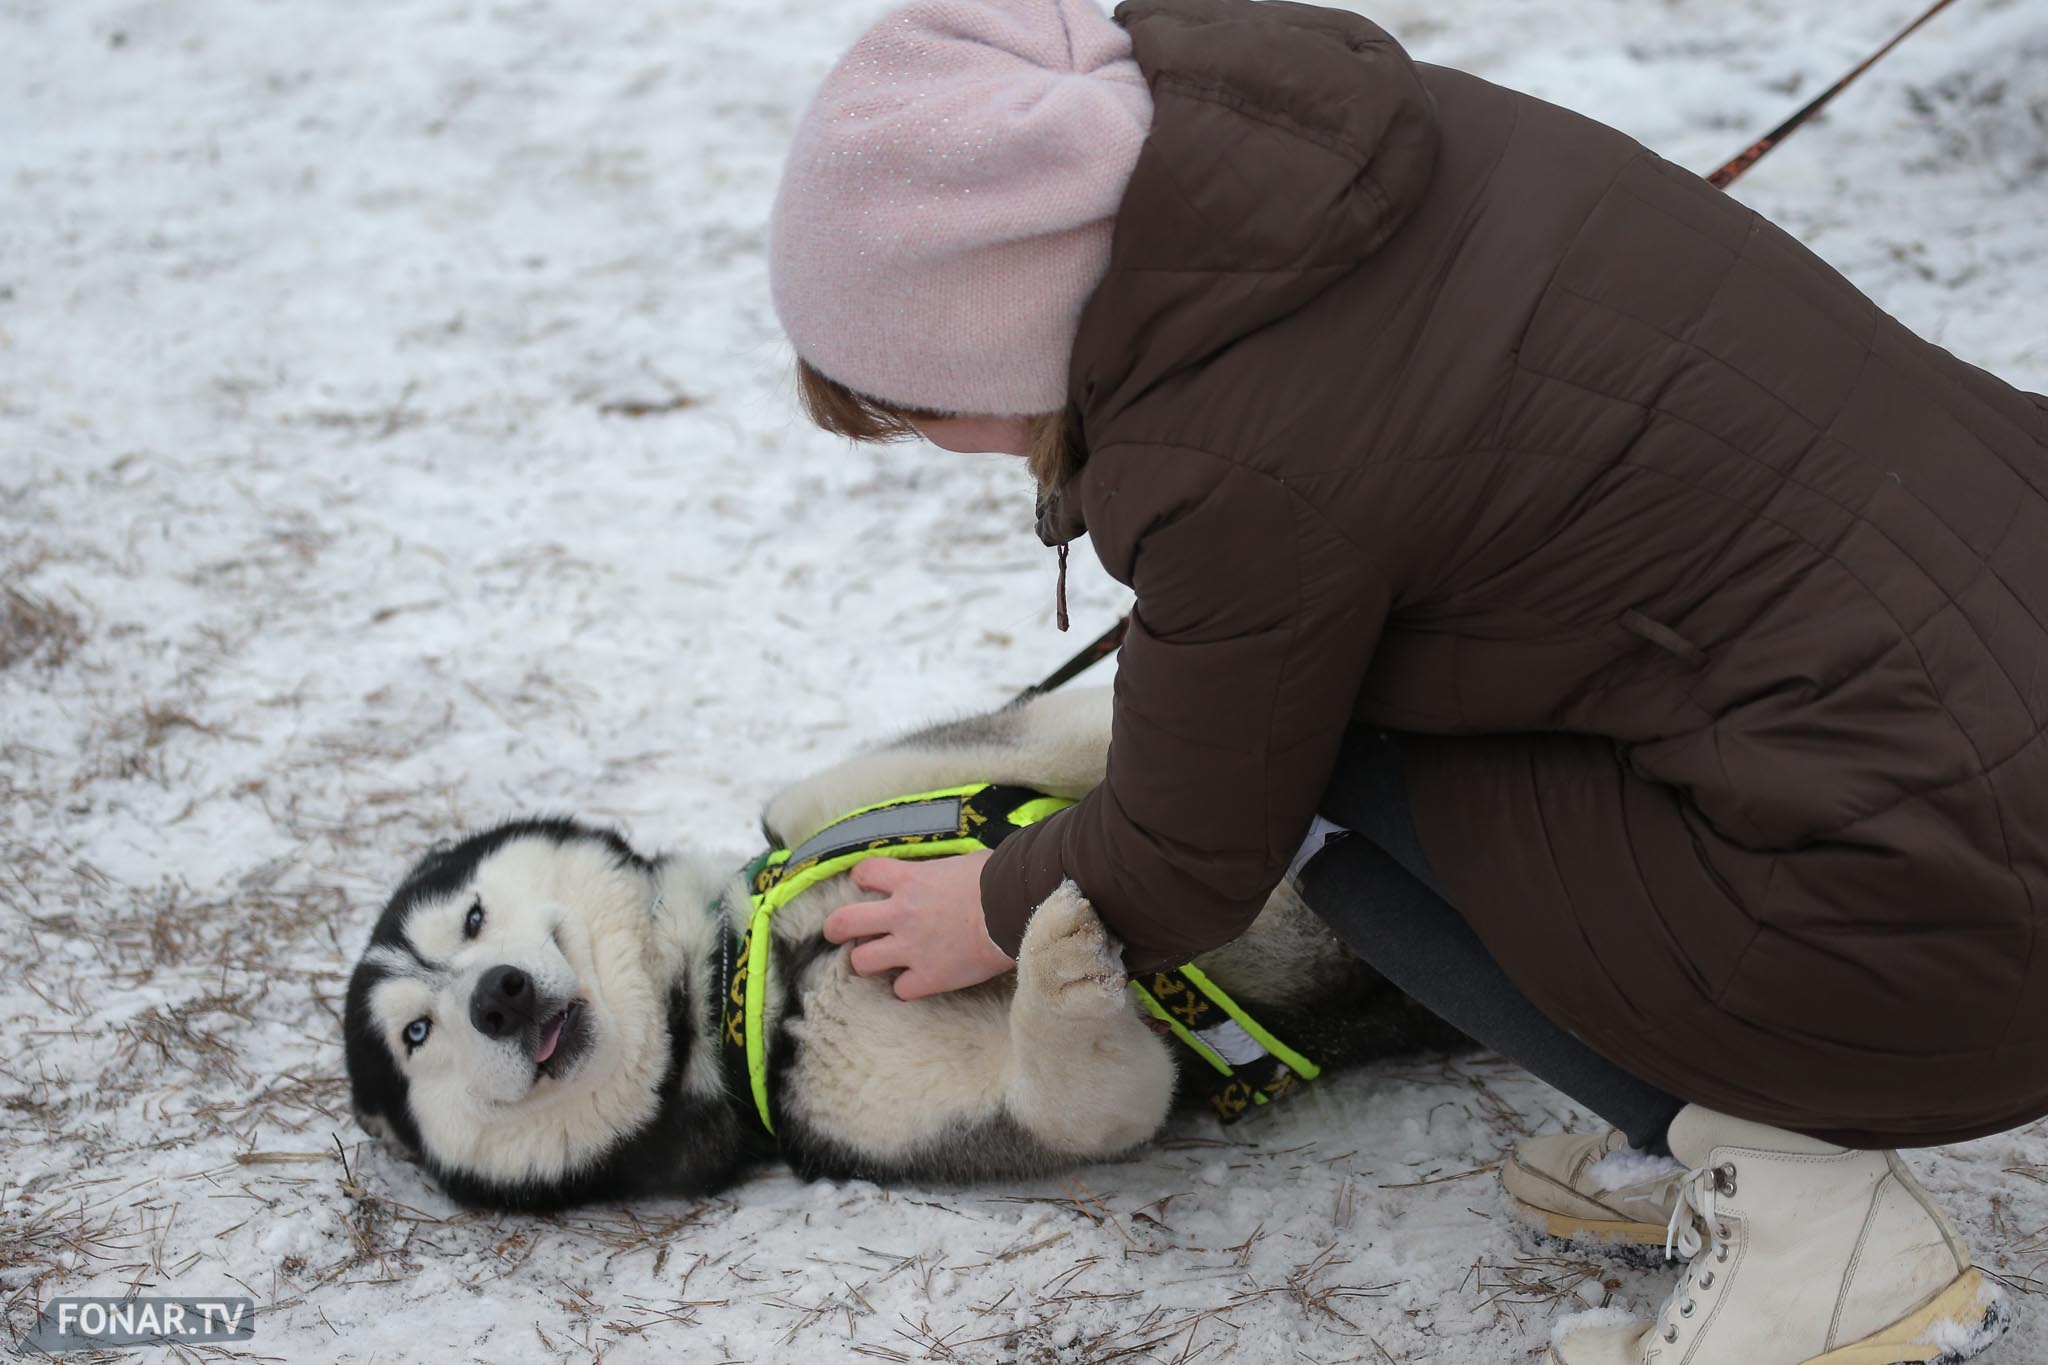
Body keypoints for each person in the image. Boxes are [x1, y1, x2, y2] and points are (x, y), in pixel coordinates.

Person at [766, 1, 2046, 1361]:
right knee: (1311, 704)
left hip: (1950, 909)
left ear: (997, 319)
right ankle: (1718, 1119)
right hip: (1984, 707)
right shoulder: (1341, 152)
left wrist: (1001, 904)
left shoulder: (1230, 445)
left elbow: (1192, 856)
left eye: (917, 406)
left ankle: (1812, 1218)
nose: (937, 444)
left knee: (1311, 784)